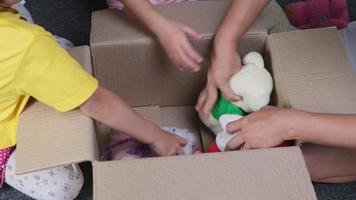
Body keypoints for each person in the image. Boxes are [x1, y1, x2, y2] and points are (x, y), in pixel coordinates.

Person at [0, 0, 187, 199]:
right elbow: (96, 102)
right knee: (63, 186)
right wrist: (156, 136)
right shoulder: (27, 44)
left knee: (62, 51)